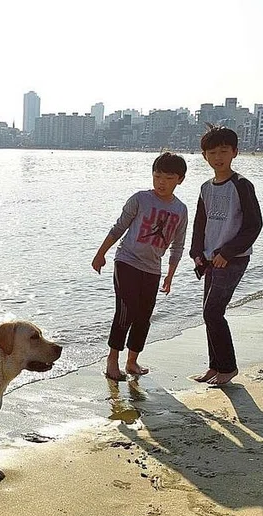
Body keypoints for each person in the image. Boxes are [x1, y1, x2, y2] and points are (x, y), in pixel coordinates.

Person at [92, 152, 189, 381]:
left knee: (144, 316)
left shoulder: (181, 210)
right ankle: (112, 359)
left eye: (168, 177)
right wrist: (100, 254)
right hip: (127, 261)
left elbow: (178, 245)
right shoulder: (140, 199)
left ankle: (132, 361)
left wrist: (170, 275)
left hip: (153, 268)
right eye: (157, 176)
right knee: (126, 311)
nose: (161, 182)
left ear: (180, 180)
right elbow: (119, 228)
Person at [189, 126, 263, 386]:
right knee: (208, 311)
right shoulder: (206, 188)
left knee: (213, 311)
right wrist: (196, 252)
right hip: (210, 258)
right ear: (204, 156)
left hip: (233, 258)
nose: (218, 157)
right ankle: (215, 366)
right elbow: (200, 223)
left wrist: (227, 252)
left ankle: (228, 368)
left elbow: (254, 225)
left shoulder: (241, 185)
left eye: (223, 151)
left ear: (234, 153)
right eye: (212, 152)